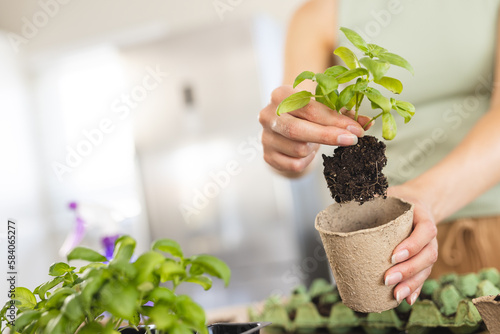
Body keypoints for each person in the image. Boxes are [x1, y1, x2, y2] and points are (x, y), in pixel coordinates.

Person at [259, 0, 500, 306]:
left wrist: (422, 199)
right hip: (385, 243)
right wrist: (288, 143)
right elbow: (297, 122)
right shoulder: (317, 14)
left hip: (490, 226)